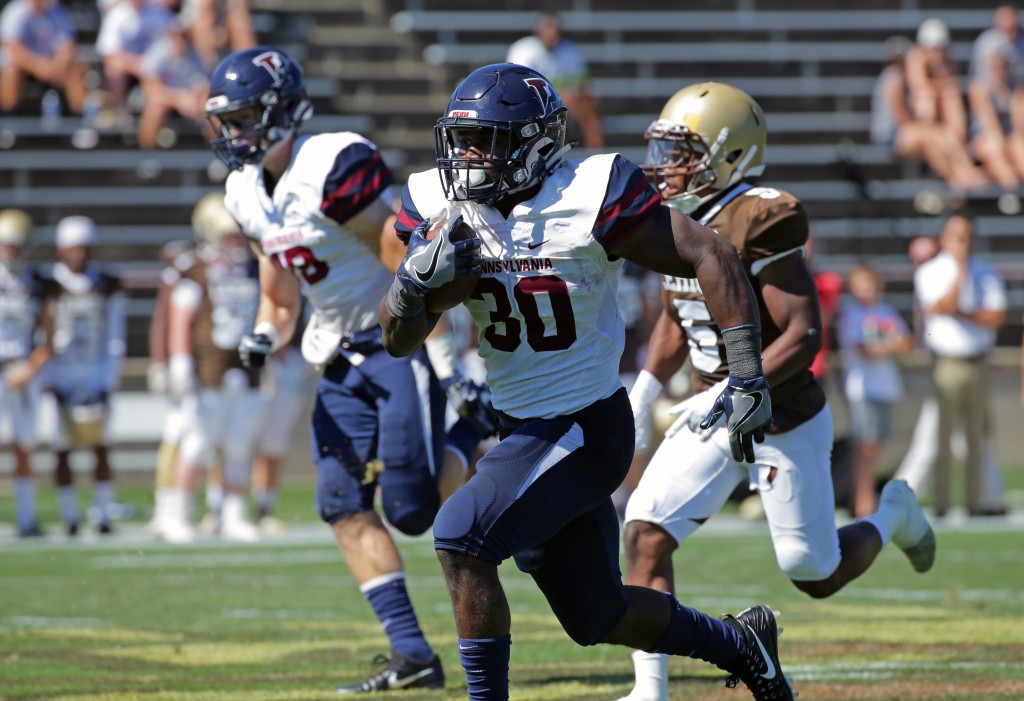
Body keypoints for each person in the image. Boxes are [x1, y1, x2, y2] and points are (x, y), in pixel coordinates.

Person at [380, 63, 793, 701]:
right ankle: (741, 644)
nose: (466, 157)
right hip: (521, 426)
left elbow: (711, 253)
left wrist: (747, 373)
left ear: (536, 144)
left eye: (484, 140)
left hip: (583, 425)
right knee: (596, 616)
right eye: (460, 140)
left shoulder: (590, 191)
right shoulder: (438, 204)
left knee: (461, 535)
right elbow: (398, 340)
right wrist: (411, 287)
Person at [615, 82, 937, 701]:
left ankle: (893, 510)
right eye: (663, 150)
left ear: (730, 154)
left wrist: (737, 386)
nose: (664, 166)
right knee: (645, 531)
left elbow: (803, 333)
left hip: (778, 413)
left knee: (812, 571)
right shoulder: (671, 217)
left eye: (682, 152)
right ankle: (648, 690)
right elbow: (673, 316)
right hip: (709, 413)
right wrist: (646, 387)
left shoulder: (762, 214)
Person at [204, 46, 475, 692]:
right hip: (339, 351)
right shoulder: (243, 189)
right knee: (339, 501)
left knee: (412, 510)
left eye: (243, 118)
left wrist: (442, 354)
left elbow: (400, 256)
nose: (232, 133)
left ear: (279, 112)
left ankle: (475, 433)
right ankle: (412, 655)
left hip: (394, 338)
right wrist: (266, 331)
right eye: (227, 120)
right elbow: (280, 273)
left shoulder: (328, 163)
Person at [155, 192, 263, 543]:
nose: (237, 242)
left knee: (238, 443)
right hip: (208, 366)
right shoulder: (196, 269)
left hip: (245, 366)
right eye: (230, 235)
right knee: (197, 442)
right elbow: (180, 319)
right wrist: (180, 361)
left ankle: (233, 513)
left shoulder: (253, 267)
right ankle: (176, 512)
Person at [895, 235, 1008, 514]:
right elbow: (941, 308)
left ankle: (988, 497)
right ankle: (903, 496)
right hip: (943, 364)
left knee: (972, 436)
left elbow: (992, 317)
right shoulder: (931, 275)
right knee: (932, 437)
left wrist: (962, 308)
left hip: (974, 361)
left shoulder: (976, 270)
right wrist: (960, 276)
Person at [41, 216, 126, 536]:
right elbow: (42, 332)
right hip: (59, 375)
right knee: (61, 448)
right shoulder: (47, 283)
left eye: (84, 247)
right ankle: (71, 518)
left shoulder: (106, 283)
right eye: (73, 247)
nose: (79, 253)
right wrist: (46, 376)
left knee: (100, 445)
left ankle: (103, 515)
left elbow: (115, 335)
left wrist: (108, 378)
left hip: (93, 374)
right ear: (62, 249)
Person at [837, 264, 912, 518]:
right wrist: (888, 344)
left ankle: (865, 498)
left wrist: (884, 345)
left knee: (875, 446)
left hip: (885, 387)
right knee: (865, 446)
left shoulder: (886, 311)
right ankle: (861, 502)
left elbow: (905, 343)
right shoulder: (851, 314)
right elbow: (865, 351)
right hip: (862, 389)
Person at [871, 33, 988, 192]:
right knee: (930, 136)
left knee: (935, 138)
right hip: (890, 138)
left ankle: (960, 175)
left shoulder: (900, 78)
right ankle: (957, 179)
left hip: (903, 133)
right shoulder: (894, 78)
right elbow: (901, 119)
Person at [0, 209, 49, 537]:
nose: (11, 251)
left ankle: (26, 517)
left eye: (16, 245)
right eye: (7, 245)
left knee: (24, 445)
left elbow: (49, 333)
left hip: (23, 370)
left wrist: (30, 367)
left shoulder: (38, 282)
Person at [507, 11, 604, 148]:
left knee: (587, 103)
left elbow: (583, 84)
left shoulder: (569, 50)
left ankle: (595, 154)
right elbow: (519, 89)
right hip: (534, 105)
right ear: (538, 31)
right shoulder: (523, 50)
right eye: (548, 28)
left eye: (554, 29)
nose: (552, 33)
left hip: (568, 105)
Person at [968, 3, 1024, 211]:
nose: (998, 66)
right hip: (987, 138)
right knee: (995, 147)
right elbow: (992, 130)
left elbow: (1019, 129)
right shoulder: (980, 89)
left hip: (1007, 138)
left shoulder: (1016, 92)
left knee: (1019, 147)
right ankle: (1012, 196)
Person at [95, 0, 176, 126]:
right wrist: (139, 65)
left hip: (156, 67)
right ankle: (120, 110)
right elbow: (108, 54)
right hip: (130, 67)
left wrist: (150, 66)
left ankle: (165, 120)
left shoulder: (158, 12)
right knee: (113, 70)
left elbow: (172, 44)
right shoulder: (117, 15)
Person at [0, 0, 88, 116]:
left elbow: (68, 44)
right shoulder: (15, 11)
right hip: (25, 65)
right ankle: (8, 120)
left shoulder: (56, 10)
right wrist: (38, 66)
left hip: (52, 66)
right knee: (11, 69)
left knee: (76, 67)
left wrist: (57, 64)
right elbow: (12, 48)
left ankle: (79, 122)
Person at [137, 20, 211, 149]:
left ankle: (214, 152)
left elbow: (204, 85)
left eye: (183, 35)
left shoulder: (195, 53)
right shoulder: (158, 51)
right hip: (165, 98)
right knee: (155, 108)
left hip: (190, 99)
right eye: (177, 35)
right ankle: (146, 155)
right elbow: (150, 88)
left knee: (210, 107)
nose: (180, 39)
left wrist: (192, 100)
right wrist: (178, 100)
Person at [178, 0, 256, 70]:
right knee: (206, 10)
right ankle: (210, 70)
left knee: (239, 20)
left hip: (222, 21)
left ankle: (248, 66)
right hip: (196, 20)